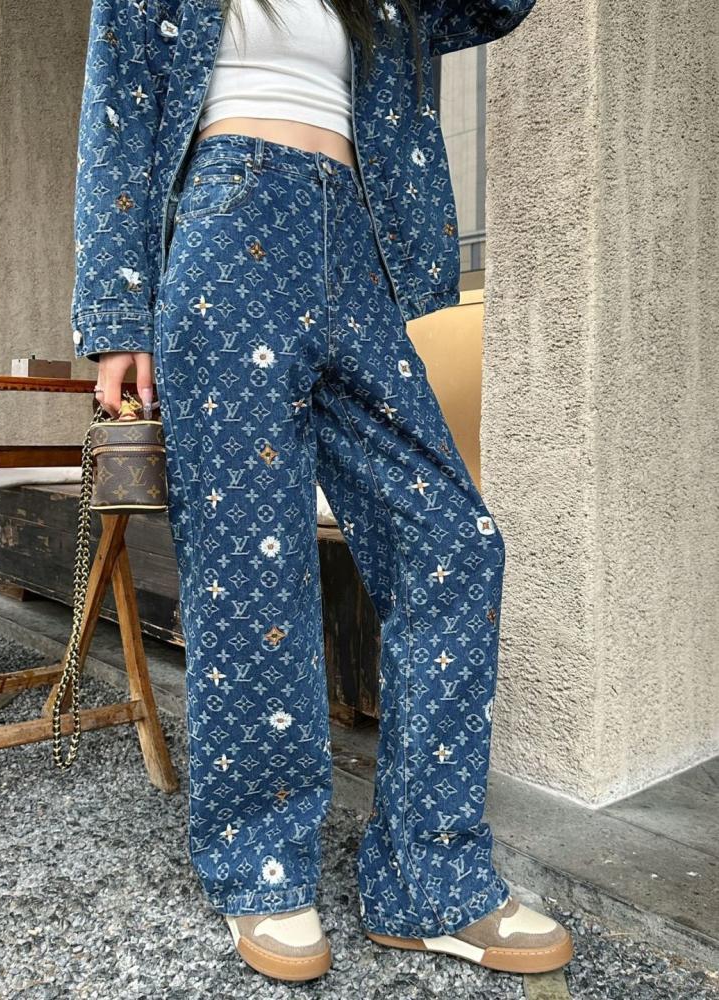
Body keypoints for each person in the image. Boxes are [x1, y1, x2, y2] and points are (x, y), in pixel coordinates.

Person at [71, 0, 573, 983]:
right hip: (228, 228)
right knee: (254, 568)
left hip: (356, 251)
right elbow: (119, 105)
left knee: (453, 542)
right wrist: (118, 315)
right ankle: (263, 865)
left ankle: (429, 877)